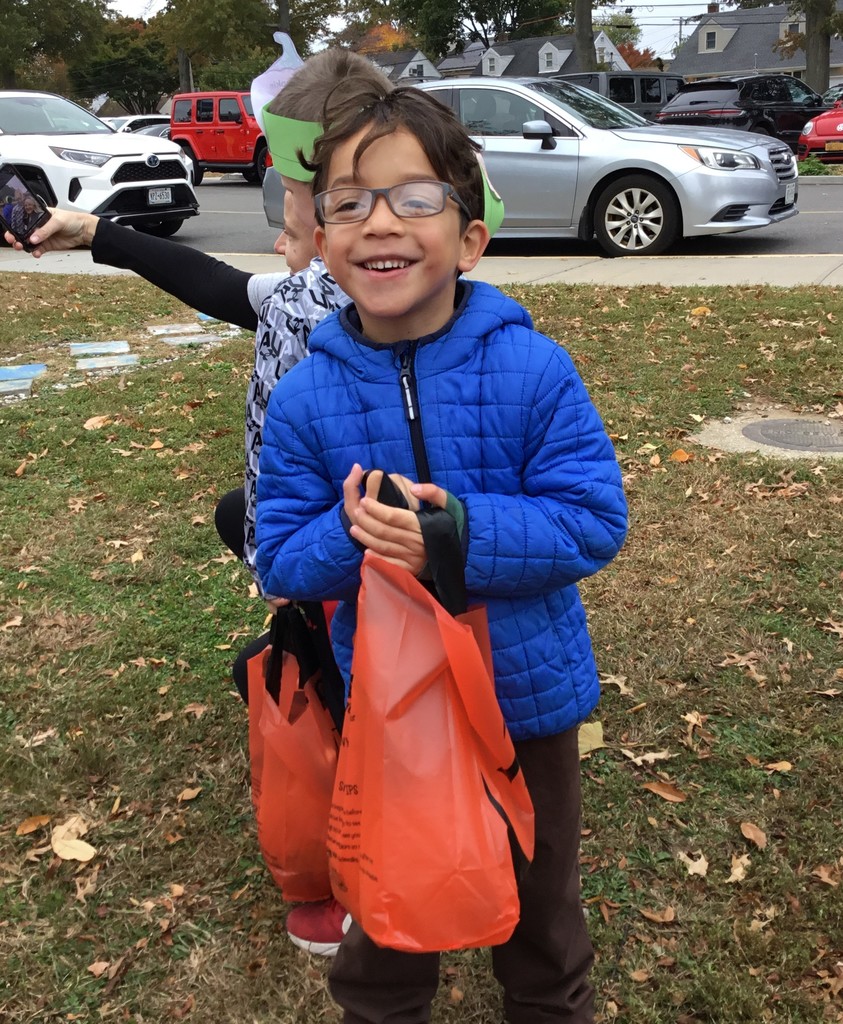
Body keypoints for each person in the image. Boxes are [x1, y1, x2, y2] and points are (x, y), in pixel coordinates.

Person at [254, 83, 628, 1023]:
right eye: (348, 201)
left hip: (524, 699)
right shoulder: (305, 399)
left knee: (540, 918)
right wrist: (354, 538)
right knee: (382, 909)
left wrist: (453, 539)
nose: (379, 221)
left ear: (468, 239)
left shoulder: (531, 368)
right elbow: (279, 561)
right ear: (325, 241)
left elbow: (590, 519)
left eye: (414, 197)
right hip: (386, 707)